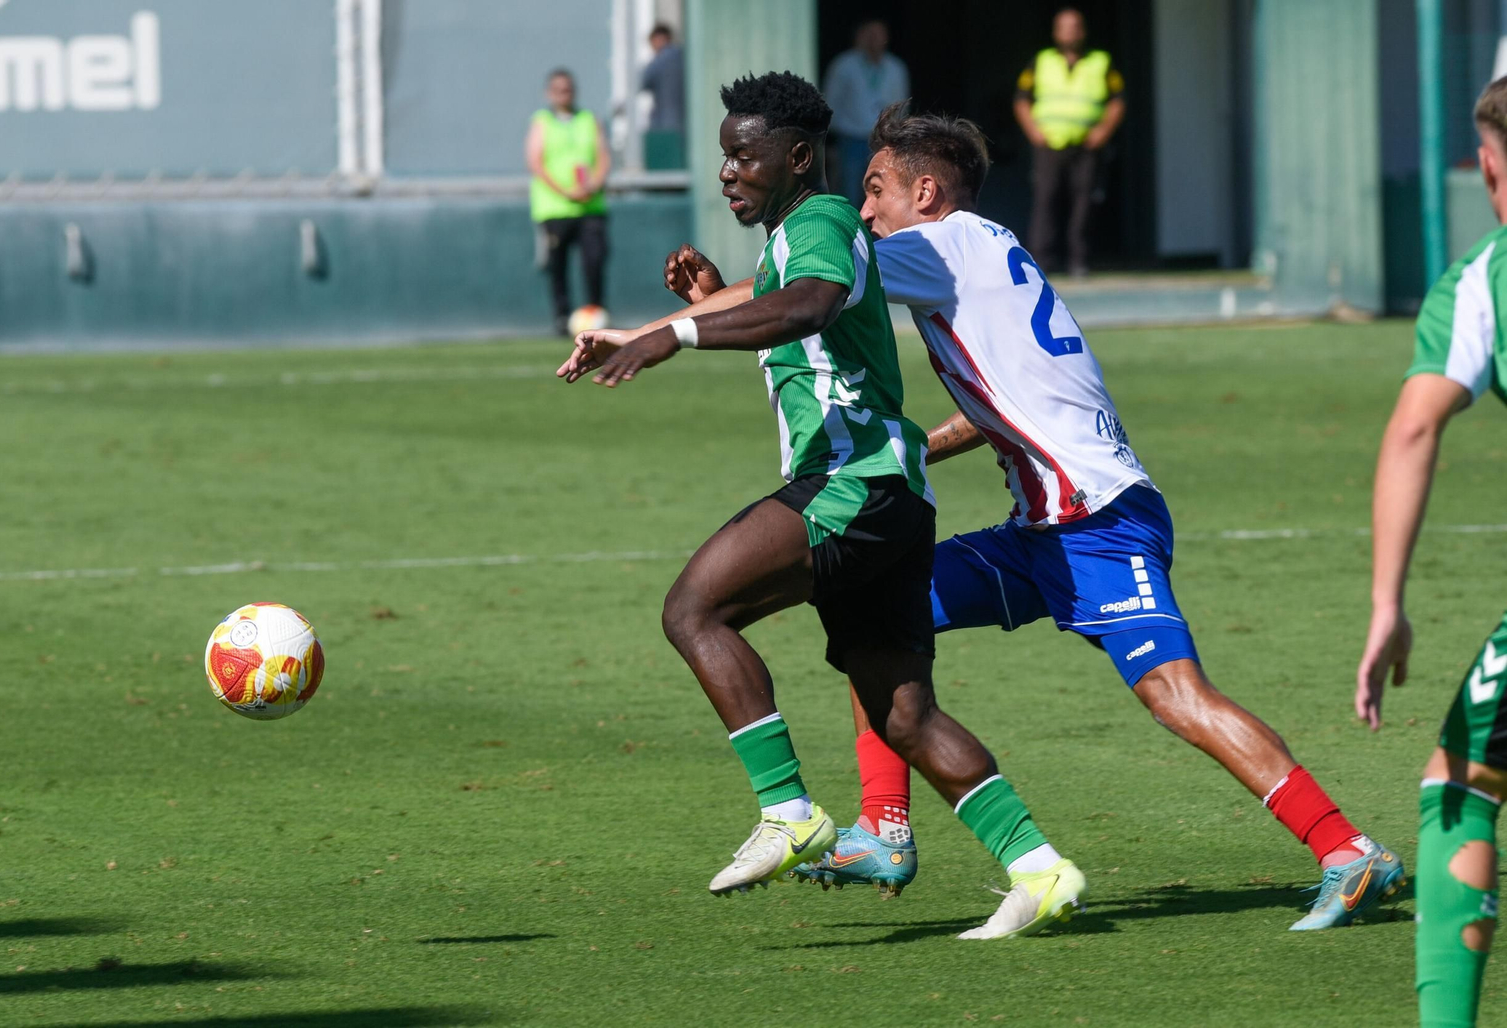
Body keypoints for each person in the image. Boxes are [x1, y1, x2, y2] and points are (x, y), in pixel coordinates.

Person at [661, 100, 1406, 936]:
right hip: (1041, 526)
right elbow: (992, 413)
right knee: (881, 620)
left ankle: (1347, 848)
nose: (865, 208)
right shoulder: (985, 252)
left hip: (1099, 521)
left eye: (877, 190)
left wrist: (699, 309)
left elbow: (819, 282)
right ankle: (884, 828)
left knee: (1174, 694)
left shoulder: (939, 247)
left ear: (928, 192)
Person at [556, 73, 1078, 935]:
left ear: (797, 157)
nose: (728, 171)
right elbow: (782, 302)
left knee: (695, 609)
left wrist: (672, 336)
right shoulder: (795, 238)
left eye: (743, 155)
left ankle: (789, 814)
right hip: (893, 494)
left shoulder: (824, 220)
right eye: (723, 156)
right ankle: (1041, 868)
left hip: (855, 479)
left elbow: (811, 304)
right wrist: (686, 311)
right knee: (905, 715)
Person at [1355, 75, 1507, 1028]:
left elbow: (1415, 430)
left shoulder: (1486, 279)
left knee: (1462, 780)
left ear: (1490, 168)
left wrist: (1386, 603)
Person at [1014, 8, 1124, 278]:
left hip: (1086, 146)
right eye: (1064, 27)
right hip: (1049, 144)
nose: (1070, 32)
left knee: (1084, 203)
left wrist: (1103, 131)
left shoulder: (1101, 62)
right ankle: (1042, 261)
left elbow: (1118, 100)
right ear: (1055, 32)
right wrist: (1033, 131)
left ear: (1083, 31)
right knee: (1045, 201)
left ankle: (1079, 261)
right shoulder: (1041, 61)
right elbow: (1021, 98)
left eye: (1075, 26)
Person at [525, 68, 611, 335]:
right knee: (557, 266)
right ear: (549, 93)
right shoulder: (542, 121)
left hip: (590, 206)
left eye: (569, 88)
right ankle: (562, 317)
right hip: (555, 208)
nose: (565, 93)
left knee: (595, 260)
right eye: (559, 89)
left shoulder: (588, 119)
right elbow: (535, 162)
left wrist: (593, 184)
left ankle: (595, 312)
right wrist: (565, 191)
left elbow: (603, 156)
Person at [822, 19, 908, 208]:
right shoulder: (844, 65)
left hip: (884, 140)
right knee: (849, 193)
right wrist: (832, 142)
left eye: (879, 35)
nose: (875, 40)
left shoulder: (896, 67)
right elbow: (831, 103)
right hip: (851, 140)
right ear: (860, 36)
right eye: (870, 34)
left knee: (884, 193)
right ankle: (849, 235)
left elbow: (902, 106)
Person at [640, 24, 685, 170]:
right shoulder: (684, 57)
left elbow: (641, 81)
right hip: (684, 124)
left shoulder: (661, 60)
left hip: (664, 126)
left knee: (665, 170)